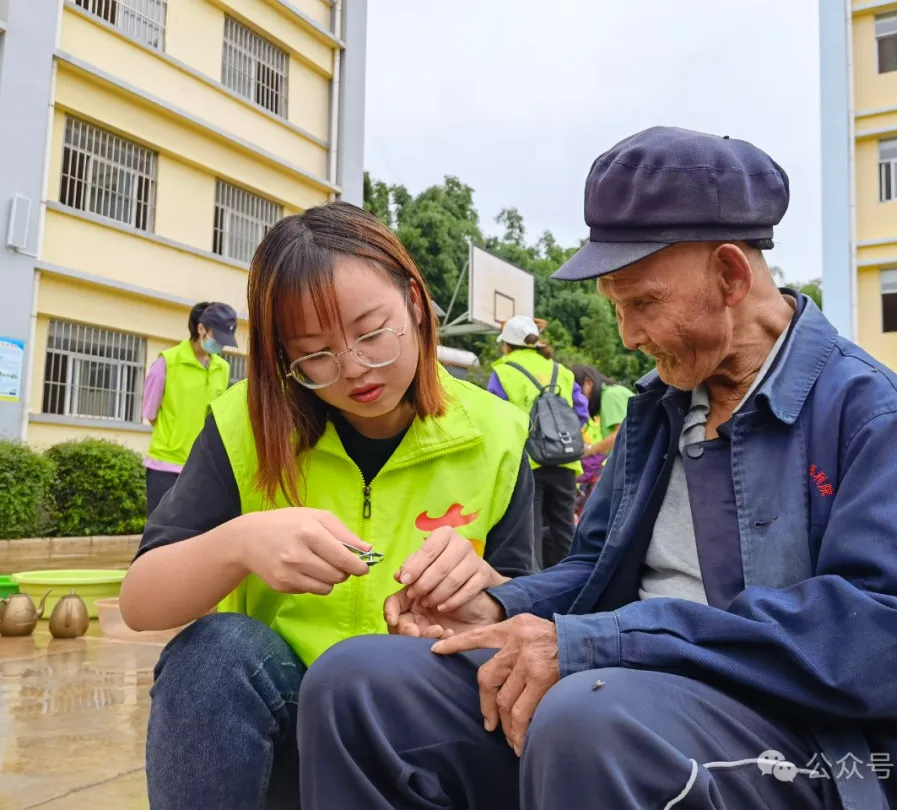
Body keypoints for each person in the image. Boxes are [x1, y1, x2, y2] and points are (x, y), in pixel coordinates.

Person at [296, 128, 897, 810]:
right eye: (618, 308)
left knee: (587, 719)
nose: (628, 335)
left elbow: (895, 643)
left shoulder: (867, 411)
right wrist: (496, 606)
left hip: (815, 740)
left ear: (729, 275)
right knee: (357, 682)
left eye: (643, 303)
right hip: (632, 696)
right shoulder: (658, 412)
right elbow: (596, 572)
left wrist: (608, 643)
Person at [118, 202, 535, 810]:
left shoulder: (498, 433)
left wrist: (488, 595)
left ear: (415, 304)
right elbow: (140, 602)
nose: (354, 369)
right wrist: (240, 542)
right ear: (282, 354)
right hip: (290, 712)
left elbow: (532, 607)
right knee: (213, 654)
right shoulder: (244, 426)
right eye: (315, 353)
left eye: (372, 333)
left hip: (424, 707)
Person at [487, 316, 589, 568]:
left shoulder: (504, 371)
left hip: (528, 464)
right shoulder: (561, 372)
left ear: (507, 345)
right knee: (565, 529)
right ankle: (576, 588)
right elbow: (582, 414)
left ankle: (535, 594)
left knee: (529, 535)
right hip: (566, 462)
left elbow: (493, 418)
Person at [142, 301, 238, 516]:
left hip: (203, 468)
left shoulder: (222, 368)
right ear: (201, 328)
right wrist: (175, 436)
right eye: (218, 337)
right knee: (160, 539)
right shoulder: (167, 362)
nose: (221, 345)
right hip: (166, 466)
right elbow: (150, 413)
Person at [572, 364, 633, 513]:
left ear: (588, 382)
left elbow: (620, 435)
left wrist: (589, 450)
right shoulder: (611, 395)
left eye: (577, 391)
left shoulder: (610, 395)